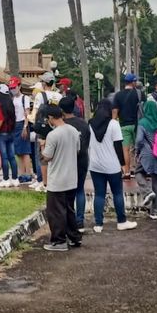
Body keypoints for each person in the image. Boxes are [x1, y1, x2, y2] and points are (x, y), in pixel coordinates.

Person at [88, 99, 138, 233]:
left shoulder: (90, 123)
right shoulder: (114, 124)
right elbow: (118, 146)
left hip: (95, 165)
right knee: (117, 193)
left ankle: (98, 224)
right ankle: (121, 221)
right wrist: (123, 165)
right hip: (112, 165)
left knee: (99, 194)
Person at [41, 106, 83, 251]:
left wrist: (42, 147)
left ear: (51, 118)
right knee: (69, 210)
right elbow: (77, 151)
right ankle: (74, 237)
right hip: (71, 178)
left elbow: (47, 157)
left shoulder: (53, 135)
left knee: (56, 212)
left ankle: (59, 241)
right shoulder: (73, 131)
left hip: (57, 180)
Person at [60, 96, 91, 232]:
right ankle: (79, 221)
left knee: (67, 192)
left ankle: (69, 221)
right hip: (82, 159)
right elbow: (87, 143)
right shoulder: (83, 124)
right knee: (80, 190)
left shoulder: (62, 125)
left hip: (67, 161)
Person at [135, 101, 157, 220]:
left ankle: (147, 191)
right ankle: (155, 212)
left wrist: (136, 152)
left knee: (138, 172)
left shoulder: (143, 122)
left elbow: (139, 140)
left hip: (147, 154)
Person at [28, 72, 62, 191]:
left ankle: (42, 180)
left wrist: (30, 119)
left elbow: (35, 113)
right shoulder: (59, 96)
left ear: (44, 83)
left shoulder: (40, 96)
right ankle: (52, 179)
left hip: (43, 129)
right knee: (54, 155)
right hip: (56, 128)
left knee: (41, 155)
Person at [112, 73, 144, 180]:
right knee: (138, 148)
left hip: (123, 125)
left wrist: (113, 123)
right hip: (137, 125)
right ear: (133, 82)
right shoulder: (139, 94)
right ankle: (138, 170)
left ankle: (126, 172)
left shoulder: (118, 95)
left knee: (125, 149)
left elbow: (115, 111)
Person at [0, 85, 18, 187]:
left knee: (4, 157)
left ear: (0, 93)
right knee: (12, 156)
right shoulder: (10, 103)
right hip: (10, 133)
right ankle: (15, 179)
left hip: (2, 133)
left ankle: (6, 179)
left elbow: (0, 119)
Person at [9, 77, 33, 183]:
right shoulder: (12, 99)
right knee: (18, 151)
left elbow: (27, 114)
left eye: (14, 87)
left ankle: (28, 173)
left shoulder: (25, 98)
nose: (13, 89)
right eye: (11, 88)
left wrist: (25, 127)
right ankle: (21, 173)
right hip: (14, 125)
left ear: (19, 86)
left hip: (23, 124)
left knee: (25, 151)